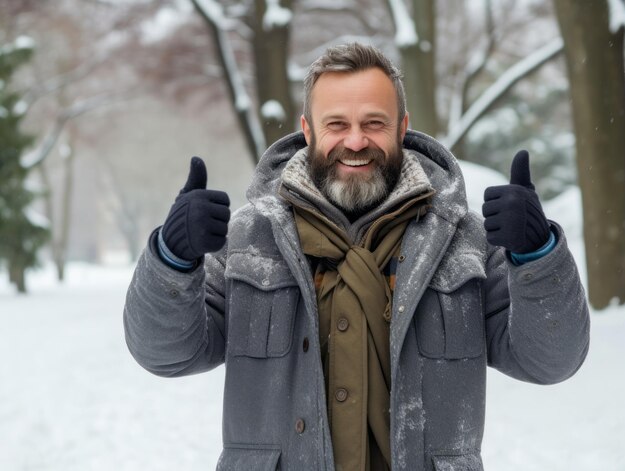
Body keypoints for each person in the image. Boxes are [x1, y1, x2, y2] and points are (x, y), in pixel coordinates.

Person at [123, 42, 590, 471]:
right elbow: (164, 353)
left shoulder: (463, 239)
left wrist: (537, 256)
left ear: (402, 129)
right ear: (307, 131)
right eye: (336, 124)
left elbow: (551, 361)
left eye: (374, 123)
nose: (355, 141)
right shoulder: (249, 236)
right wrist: (173, 258)